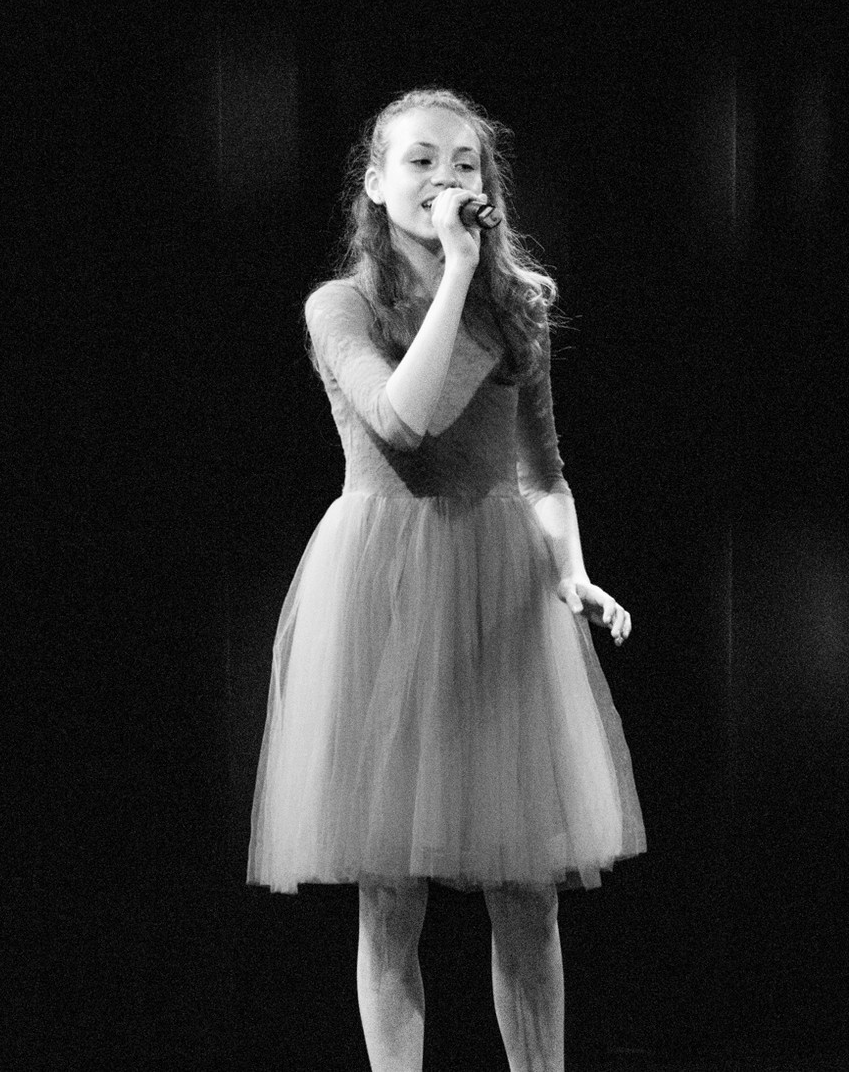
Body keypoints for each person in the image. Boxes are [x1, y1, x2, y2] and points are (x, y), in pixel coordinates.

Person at [245, 88, 645, 1072]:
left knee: (527, 888)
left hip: (500, 595)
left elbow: (542, 472)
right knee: (390, 892)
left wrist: (573, 571)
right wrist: (462, 274)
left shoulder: (518, 308)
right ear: (376, 184)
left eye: (466, 163)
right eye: (421, 159)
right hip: (380, 594)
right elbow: (402, 420)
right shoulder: (340, 307)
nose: (446, 178)